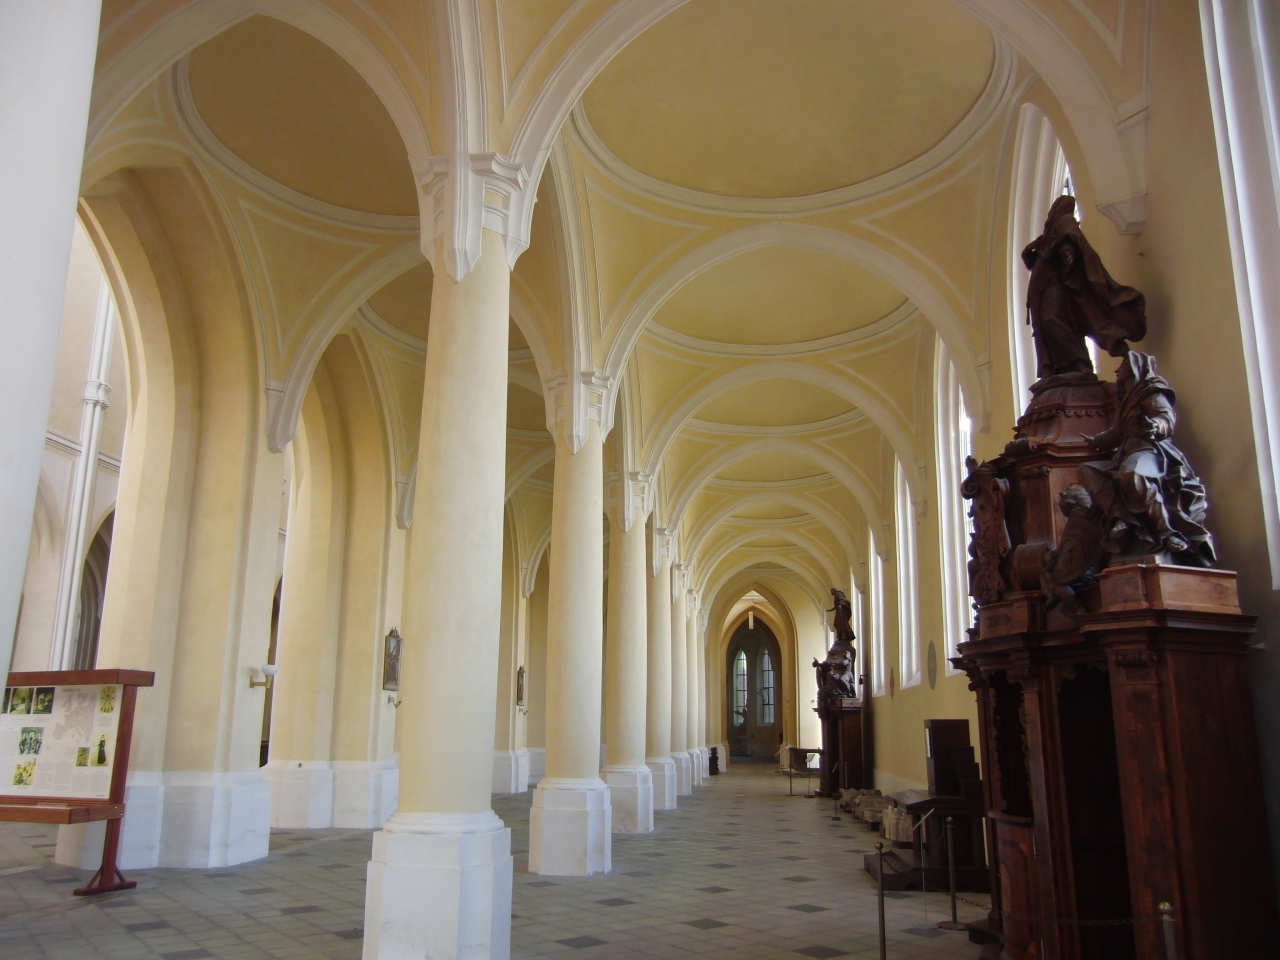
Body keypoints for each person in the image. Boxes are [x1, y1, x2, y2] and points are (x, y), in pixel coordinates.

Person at [1079, 352, 1215, 566]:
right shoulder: (1126, 398)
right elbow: (1120, 431)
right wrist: (1097, 441)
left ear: (1136, 366)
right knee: (1087, 470)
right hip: (1127, 452)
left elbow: (1166, 418)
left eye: (1123, 366)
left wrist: (1155, 426)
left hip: (1151, 451)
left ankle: (1167, 533)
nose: (1117, 370)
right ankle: (1121, 517)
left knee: (1130, 474)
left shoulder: (1151, 392)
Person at [1022, 195, 1147, 379]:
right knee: (1043, 328)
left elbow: (1071, 241)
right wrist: (1028, 252)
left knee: (1052, 320)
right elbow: (1035, 262)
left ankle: (1078, 363)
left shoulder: (1064, 222)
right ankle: (1054, 368)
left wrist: (1067, 254)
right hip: (1040, 290)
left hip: (1055, 285)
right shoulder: (1046, 237)